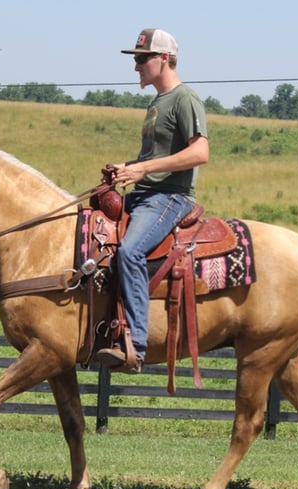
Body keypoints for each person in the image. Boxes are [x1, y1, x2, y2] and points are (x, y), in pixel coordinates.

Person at [95, 28, 209, 374]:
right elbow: (155, 157)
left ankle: (136, 345)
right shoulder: (157, 102)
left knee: (130, 251)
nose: (136, 66)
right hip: (146, 194)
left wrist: (142, 169)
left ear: (164, 59)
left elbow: (200, 152)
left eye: (142, 59)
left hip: (170, 198)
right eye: (135, 59)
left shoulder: (184, 98)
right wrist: (127, 169)